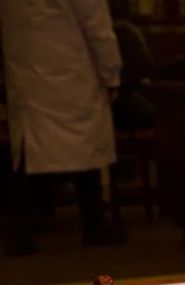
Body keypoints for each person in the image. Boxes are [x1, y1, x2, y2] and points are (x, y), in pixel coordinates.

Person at [1, 0, 124, 256]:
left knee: (30, 152)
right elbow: (98, 30)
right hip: (73, 72)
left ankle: (20, 226)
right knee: (84, 149)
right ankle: (94, 222)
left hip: (26, 72)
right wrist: (111, 74)